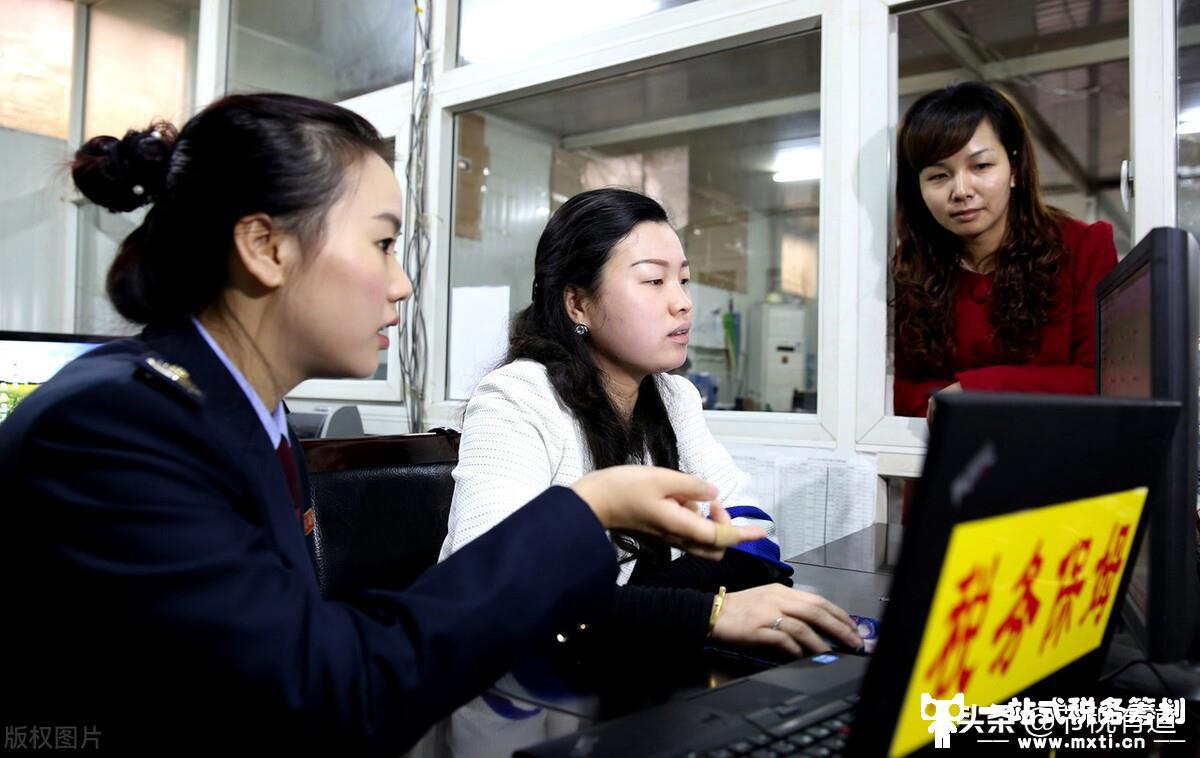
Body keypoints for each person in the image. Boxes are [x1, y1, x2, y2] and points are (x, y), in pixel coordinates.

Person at [0, 95, 764, 756]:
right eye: (384, 243)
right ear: (266, 247)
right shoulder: (115, 426)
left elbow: (292, 655)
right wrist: (588, 510)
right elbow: (328, 698)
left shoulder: (250, 420)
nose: (401, 285)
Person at [439, 188, 863, 756]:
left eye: (683, 280)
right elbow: (494, 587)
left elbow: (751, 531)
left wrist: (634, 603)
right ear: (577, 305)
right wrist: (708, 608)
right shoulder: (516, 396)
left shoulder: (673, 395)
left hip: (615, 673)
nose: (683, 302)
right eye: (653, 280)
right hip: (507, 701)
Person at [892, 82, 1118, 422]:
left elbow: (1102, 380)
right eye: (938, 176)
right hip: (940, 467)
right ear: (919, 189)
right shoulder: (911, 269)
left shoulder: (1082, 248)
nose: (962, 190)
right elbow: (892, 391)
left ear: (1014, 169)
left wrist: (974, 391)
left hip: (1050, 464)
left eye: (980, 166)